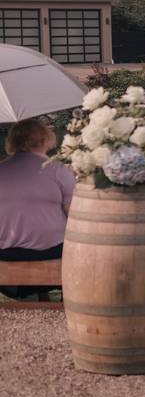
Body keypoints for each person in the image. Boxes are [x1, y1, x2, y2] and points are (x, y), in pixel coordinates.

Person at [0, 120, 75, 300]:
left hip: (4, 251)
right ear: (45, 139)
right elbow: (74, 216)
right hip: (53, 251)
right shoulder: (59, 170)